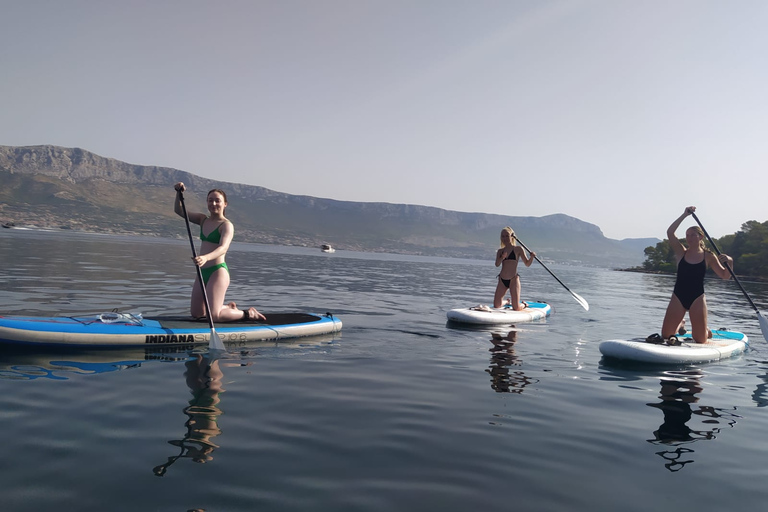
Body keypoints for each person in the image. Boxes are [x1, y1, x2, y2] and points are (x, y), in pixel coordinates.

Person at [173, 182, 265, 322]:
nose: (214, 203)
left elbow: (223, 248)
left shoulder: (226, 225)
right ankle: (227, 308)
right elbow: (179, 211)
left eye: (218, 200)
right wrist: (179, 194)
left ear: (225, 204)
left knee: (214, 316)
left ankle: (248, 313)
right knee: (197, 314)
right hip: (202, 272)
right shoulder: (202, 219)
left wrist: (205, 257)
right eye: (210, 200)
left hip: (218, 272)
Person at [659, 206, 733, 344]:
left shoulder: (708, 256)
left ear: (701, 237)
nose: (689, 238)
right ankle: (681, 323)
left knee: (700, 340)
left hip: (697, 298)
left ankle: (707, 331)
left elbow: (725, 275)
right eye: (687, 235)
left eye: (693, 235)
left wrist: (730, 261)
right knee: (666, 335)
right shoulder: (681, 252)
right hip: (678, 296)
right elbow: (670, 232)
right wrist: (684, 215)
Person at [493, 227, 535, 309]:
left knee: (516, 308)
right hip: (502, 280)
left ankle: (524, 304)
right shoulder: (500, 251)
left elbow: (527, 264)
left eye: (507, 236)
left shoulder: (518, 249)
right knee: (496, 305)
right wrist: (502, 257)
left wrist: (532, 257)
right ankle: (507, 302)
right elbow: (497, 264)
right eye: (503, 236)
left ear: (512, 237)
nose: (504, 238)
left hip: (513, 280)